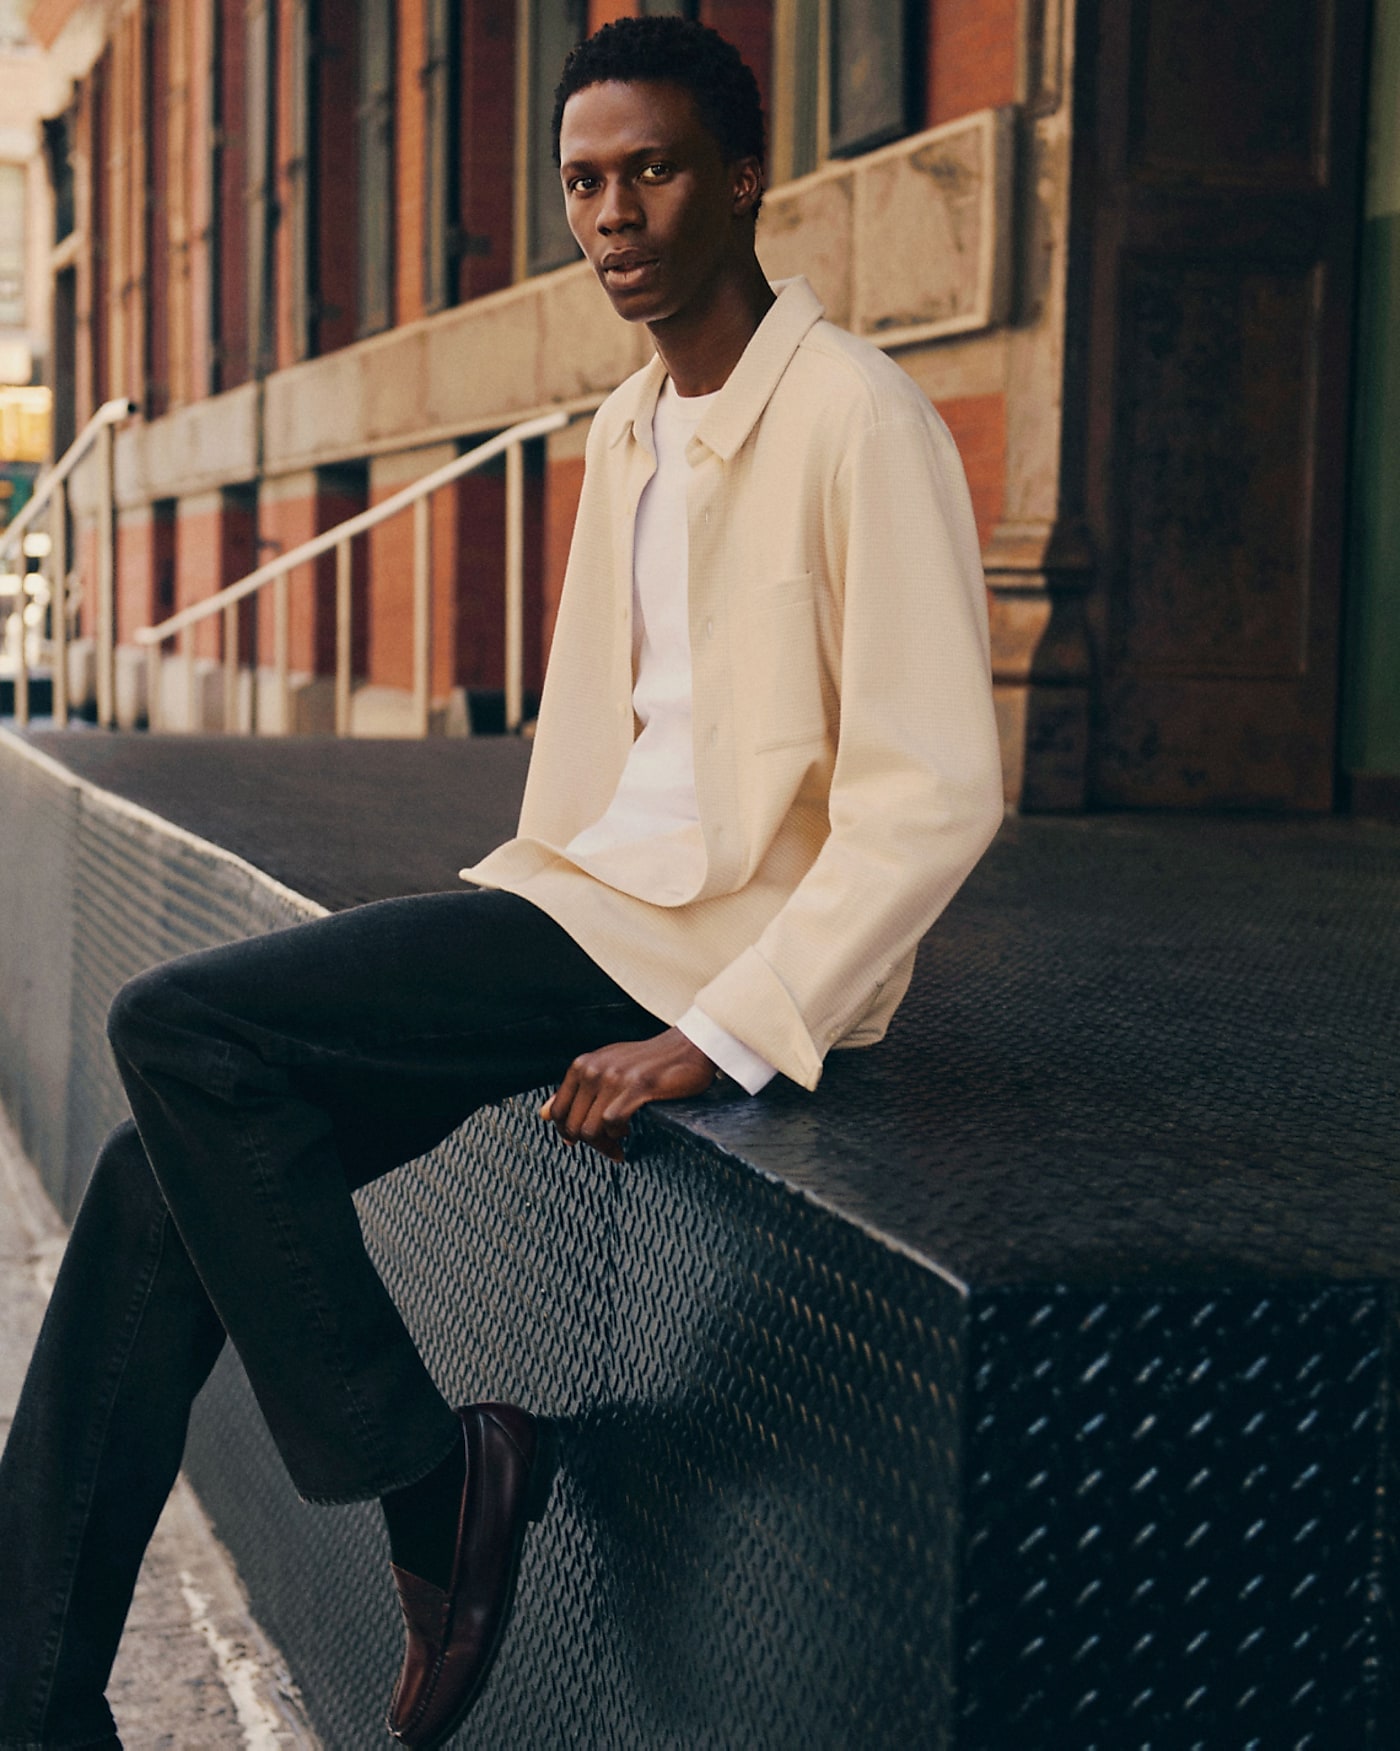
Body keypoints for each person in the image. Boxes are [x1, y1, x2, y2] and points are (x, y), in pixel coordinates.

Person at [0, 16, 1002, 1751]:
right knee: (154, 1171)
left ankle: (429, 1483)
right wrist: (499, 913)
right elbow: (594, 755)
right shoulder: (626, 429)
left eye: (656, 170)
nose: (613, 214)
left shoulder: (854, 416)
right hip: (582, 900)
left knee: (178, 1029)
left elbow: (933, 797)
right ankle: (29, 1702)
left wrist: (728, 1029)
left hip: (703, 940)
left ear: (748, 176)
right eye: (583, 183)